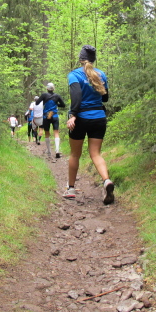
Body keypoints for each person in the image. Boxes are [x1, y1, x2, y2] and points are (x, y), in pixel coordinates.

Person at [64, 45, 114, 204]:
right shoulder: (101, 74)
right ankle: (106, 181)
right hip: (99, 118)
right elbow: (105, 98)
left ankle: (71, 189)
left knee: (75, 154)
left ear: (80, 59)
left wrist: (73, 115)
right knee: (96, 154)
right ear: (93, 59)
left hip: (81, 118)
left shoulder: (74, 75)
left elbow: (76, 96)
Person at [35, 83, 65, 159]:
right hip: (54, 115)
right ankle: (57, 150)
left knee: (47, 132)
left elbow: (37, 103)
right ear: (53, 88)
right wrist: (56, 104)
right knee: (56, 132)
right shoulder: (57, 96)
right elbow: (63, 105)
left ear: (47, 88)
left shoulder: (44, 95)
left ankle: (49, 151)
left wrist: (43, 101)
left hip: (46, 116)